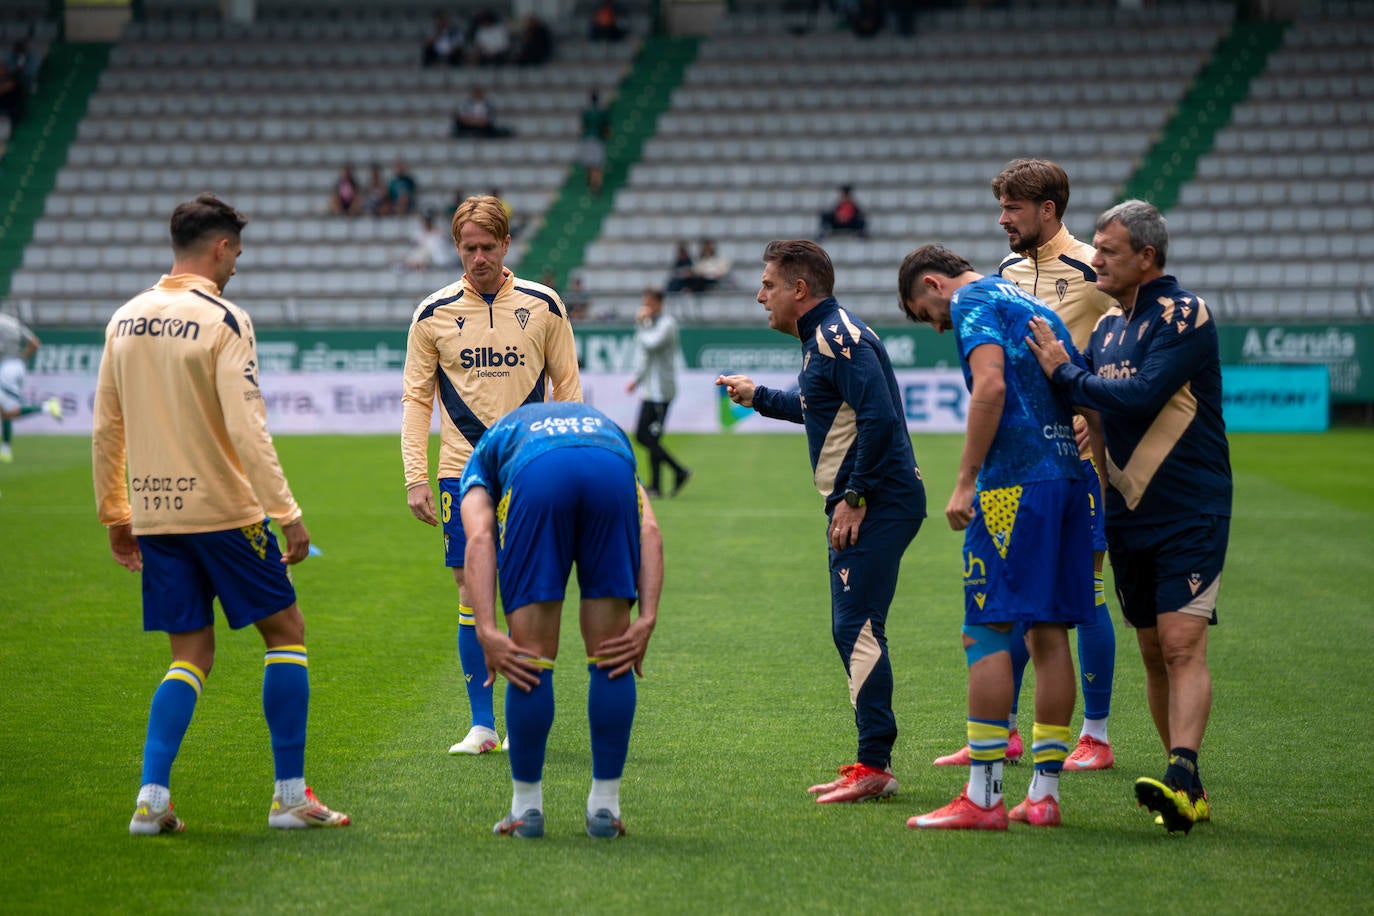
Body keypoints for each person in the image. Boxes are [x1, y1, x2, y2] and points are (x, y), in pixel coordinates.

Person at [92, 193, 349, 835]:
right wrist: (286, 512)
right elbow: (247, 426)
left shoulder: (123, 320)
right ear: (221, 248)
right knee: (285, 631)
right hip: (226, 511)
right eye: (237, 252)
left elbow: (106, 429)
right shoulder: (225, 319)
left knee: (190, 654)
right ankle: (290, 796)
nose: (237, 264)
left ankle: (152, 801)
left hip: (156, 515)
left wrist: (117, 517)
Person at [1026, 199, 1232, 835]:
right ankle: (1187, 787)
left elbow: (1141, 394)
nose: (1097, 259)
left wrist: (1069, 377)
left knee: (1180, 642)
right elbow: (1092, 396)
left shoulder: (1183, 313)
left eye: (1108, 250)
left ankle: (1182, 770)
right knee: (1149, 648)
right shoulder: (1112, 323)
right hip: (1124, 510)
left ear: (1147, 257)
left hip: (1189, 506)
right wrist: (1082, 408)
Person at [896, 244, 1097, 831]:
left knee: (982, 630)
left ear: (934, 284)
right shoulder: (1030, 302)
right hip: (1065, 480)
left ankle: (983, 800)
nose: (938, 326)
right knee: (1051, 633)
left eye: (927, 313)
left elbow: (989, 388)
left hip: (1014, 486)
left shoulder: (973, 301)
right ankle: (1043, 795)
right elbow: (1078, 393)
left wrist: (964, 482)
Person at [716, 240, 925, 804]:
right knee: (852, 627)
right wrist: (757, 395)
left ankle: (875, 764)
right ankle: (871, 759)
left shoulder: (837, 338)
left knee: (855, 628)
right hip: (872, 499)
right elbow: (821, 409)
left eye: (768, 285)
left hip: (877, 501)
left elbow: (879, 417)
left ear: (798, 290)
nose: (761, 296)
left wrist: (855, 493)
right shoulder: (823, 340)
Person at [932, 159, 1119, 771]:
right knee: (1015, 602)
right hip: (1020, 462)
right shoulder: (1005, 275)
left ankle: (1095, 732)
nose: (1004, 219)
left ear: (1049, 210)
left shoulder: (1097, 268)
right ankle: (1004, 731)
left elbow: (1123, 351)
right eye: (1001, 207)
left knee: (1080, 599)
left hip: (1079, 459)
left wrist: (1094, 405)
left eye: (1014, 208)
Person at [402, 195, 583, 757]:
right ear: (457, 248)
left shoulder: (544, 305)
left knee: (528, 592)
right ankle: (482, 725)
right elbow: (415, 399)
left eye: (488, 246)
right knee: (471, 588)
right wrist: (415, 474)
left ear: (507, 245)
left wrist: (569, 460)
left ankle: (524, 719)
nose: (478, 256)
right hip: (462, 473)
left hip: (531, 472)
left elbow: (568, 389)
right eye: (468, 247)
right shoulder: (432, 314)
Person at [460, 401, 662, 839]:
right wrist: (645, 619)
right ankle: (605, 808)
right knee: (612, 654)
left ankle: (525, 810)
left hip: (538, 476)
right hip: (609, 464)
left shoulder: (482, 456)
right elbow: (650, 530)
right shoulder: (603, 430)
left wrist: (487, 630)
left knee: (530, 659)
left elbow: (478, 536)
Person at [625, 289, 690, 498]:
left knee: (649, 437)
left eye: (649, 303)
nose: (646, 308)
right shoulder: (653, 324)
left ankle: (662, 481)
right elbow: (646, 357)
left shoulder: (667, 324)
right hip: (651, 390)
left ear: (659, 303)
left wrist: (641, 324)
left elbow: (651, 345)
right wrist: (637, 380)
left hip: (662, 391)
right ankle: (670, 476)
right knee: (645, 436)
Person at [0, 310, 62, 462]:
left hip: (6, 368)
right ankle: (6, 450)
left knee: (8, 411)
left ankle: (46, 407)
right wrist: (22, 358)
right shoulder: (12, 322)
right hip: (17, 366)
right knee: (4, 409)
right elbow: (34, 343)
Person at [577, 91, 610, 197]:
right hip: (597, 139)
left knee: (589, 164)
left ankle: (590, 181)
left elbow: (582, 129)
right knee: (598, 165)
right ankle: (595, 186)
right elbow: (607, 130)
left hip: (587, 139)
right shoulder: (602, 112)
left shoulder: (586, 112)